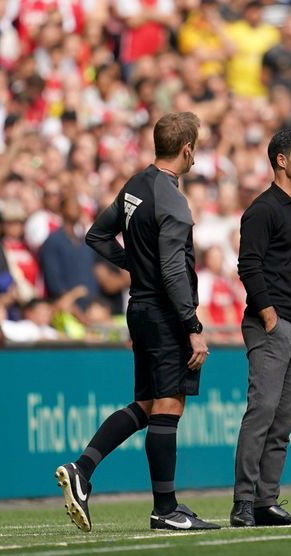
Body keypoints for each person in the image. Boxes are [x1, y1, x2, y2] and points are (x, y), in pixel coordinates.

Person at [55, 112, 219, 532]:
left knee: (146, 405)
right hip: (164, 312)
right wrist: (193, 326)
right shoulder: (173, 200)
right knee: (168, 405)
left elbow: (97, 234)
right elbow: (172, 270)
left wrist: (135, 265)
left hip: (139, 307)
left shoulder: (135, 186)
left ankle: (82, 469)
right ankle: (166, 509)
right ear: (187, 149)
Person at [231, 126, 291, 528]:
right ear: (281, 160)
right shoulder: (262, 209)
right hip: (273, 326)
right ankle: (244, 503)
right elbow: (248, 265)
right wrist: (269, 315)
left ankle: (266, 501)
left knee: (283, 423)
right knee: (262, 413)